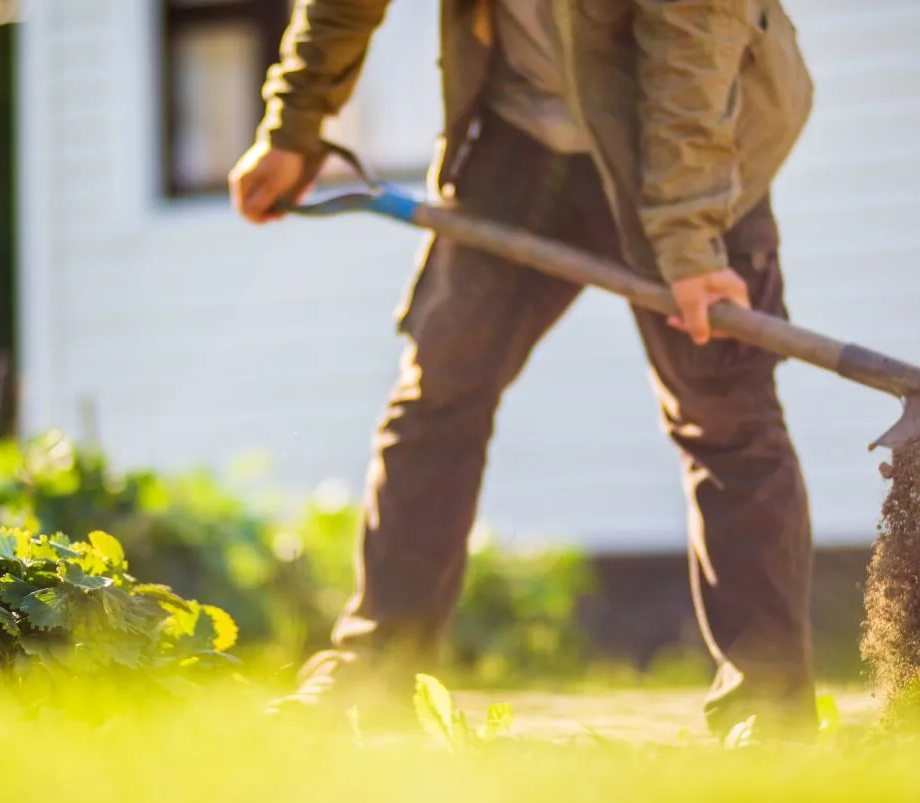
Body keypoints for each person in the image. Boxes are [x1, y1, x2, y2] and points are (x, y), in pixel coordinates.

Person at [229, 0, 818, 744]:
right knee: (439, 389)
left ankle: (770, 705)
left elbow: (693, 37)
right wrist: (296, 123)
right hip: (522, 138)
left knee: (724, 411)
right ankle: (375, 668)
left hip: (684, 135)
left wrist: (690, 237)